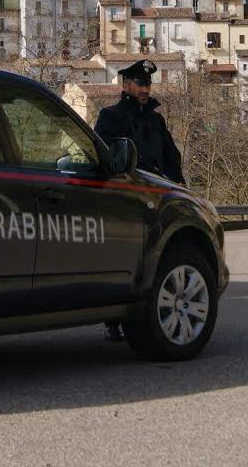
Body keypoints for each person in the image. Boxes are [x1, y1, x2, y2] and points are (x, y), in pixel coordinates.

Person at [94, 59, 185, 341]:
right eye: (140, 84)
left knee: (157, 260)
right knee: (123, 260)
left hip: (157, 199)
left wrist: (179, 186)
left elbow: (171, 157)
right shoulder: (110, 117)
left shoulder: (156, 120)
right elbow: (103, 156)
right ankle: (114, 319)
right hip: (126, 200)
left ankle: (157, 315)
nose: (145, 89)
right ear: (126, 85)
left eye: (148, 84)